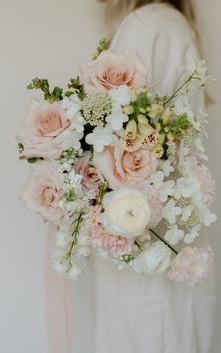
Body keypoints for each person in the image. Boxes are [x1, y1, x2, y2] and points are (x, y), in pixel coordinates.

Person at [46, 1, 216, 353]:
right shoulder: (177, 25)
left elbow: (116, 133)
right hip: (170, 237)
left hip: (142, 239)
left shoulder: (144, 24)